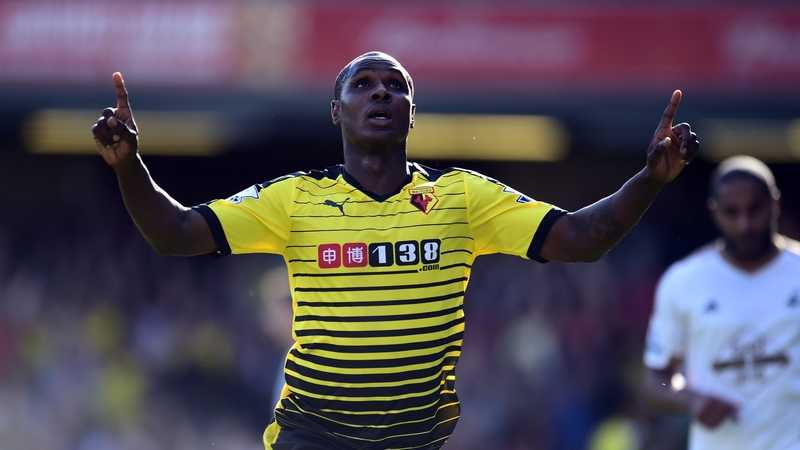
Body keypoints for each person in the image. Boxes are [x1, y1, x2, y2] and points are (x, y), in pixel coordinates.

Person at [92, 52, 698, 450]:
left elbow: (580, 241)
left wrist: (649, 180)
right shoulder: (295, 199)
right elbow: (172, 234)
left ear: (412, 111)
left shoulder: (461, 196)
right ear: (337, 112)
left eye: (395, 87)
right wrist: (128, 166)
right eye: (363, 85)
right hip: (312, 436)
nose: (380, 93)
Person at [643, 155, 800, 450]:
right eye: (732, 212)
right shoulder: (683, 281)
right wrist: (691, 399)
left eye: (754, 210)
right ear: (714, 212)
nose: (744, 224)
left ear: (774, 204)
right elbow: (656, 379)